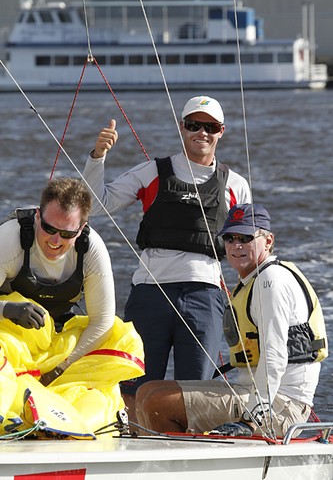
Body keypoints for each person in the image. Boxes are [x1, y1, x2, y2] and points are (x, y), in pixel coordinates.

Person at [83, 95, 251, 409]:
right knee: (135, 389)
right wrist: (97, 157)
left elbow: (248, 246)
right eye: (193, 125)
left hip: (205, 297)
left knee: (196, 395)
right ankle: (132, 444)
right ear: (182, 128)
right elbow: (94, 205)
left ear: (221, 131)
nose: (201, 132)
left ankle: (190, 450)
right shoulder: (152, 172)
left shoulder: (236, 185)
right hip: (150, 294)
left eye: (209, 127)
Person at [135, 203, 328, 438]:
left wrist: (252, 418)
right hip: (252, 393)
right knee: (146, 391)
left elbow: (274, 354)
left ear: (268, 241)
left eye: (246, 238)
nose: (236, 246)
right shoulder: (254, 279)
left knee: (158, 402)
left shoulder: (270, 282)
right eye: (229, 238)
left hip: (280, 405)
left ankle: (181, 464)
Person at [0, 177, 116, 385]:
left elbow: (102, 321)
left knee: (121, 339)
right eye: (49, 228)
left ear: (81, 229)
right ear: (37, 216)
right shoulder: (9, 239)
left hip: (58, 339)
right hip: (7, 332)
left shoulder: (91, 249)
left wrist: (61, 368)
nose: (55, 241)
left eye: (67, 234)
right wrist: (7, 309)